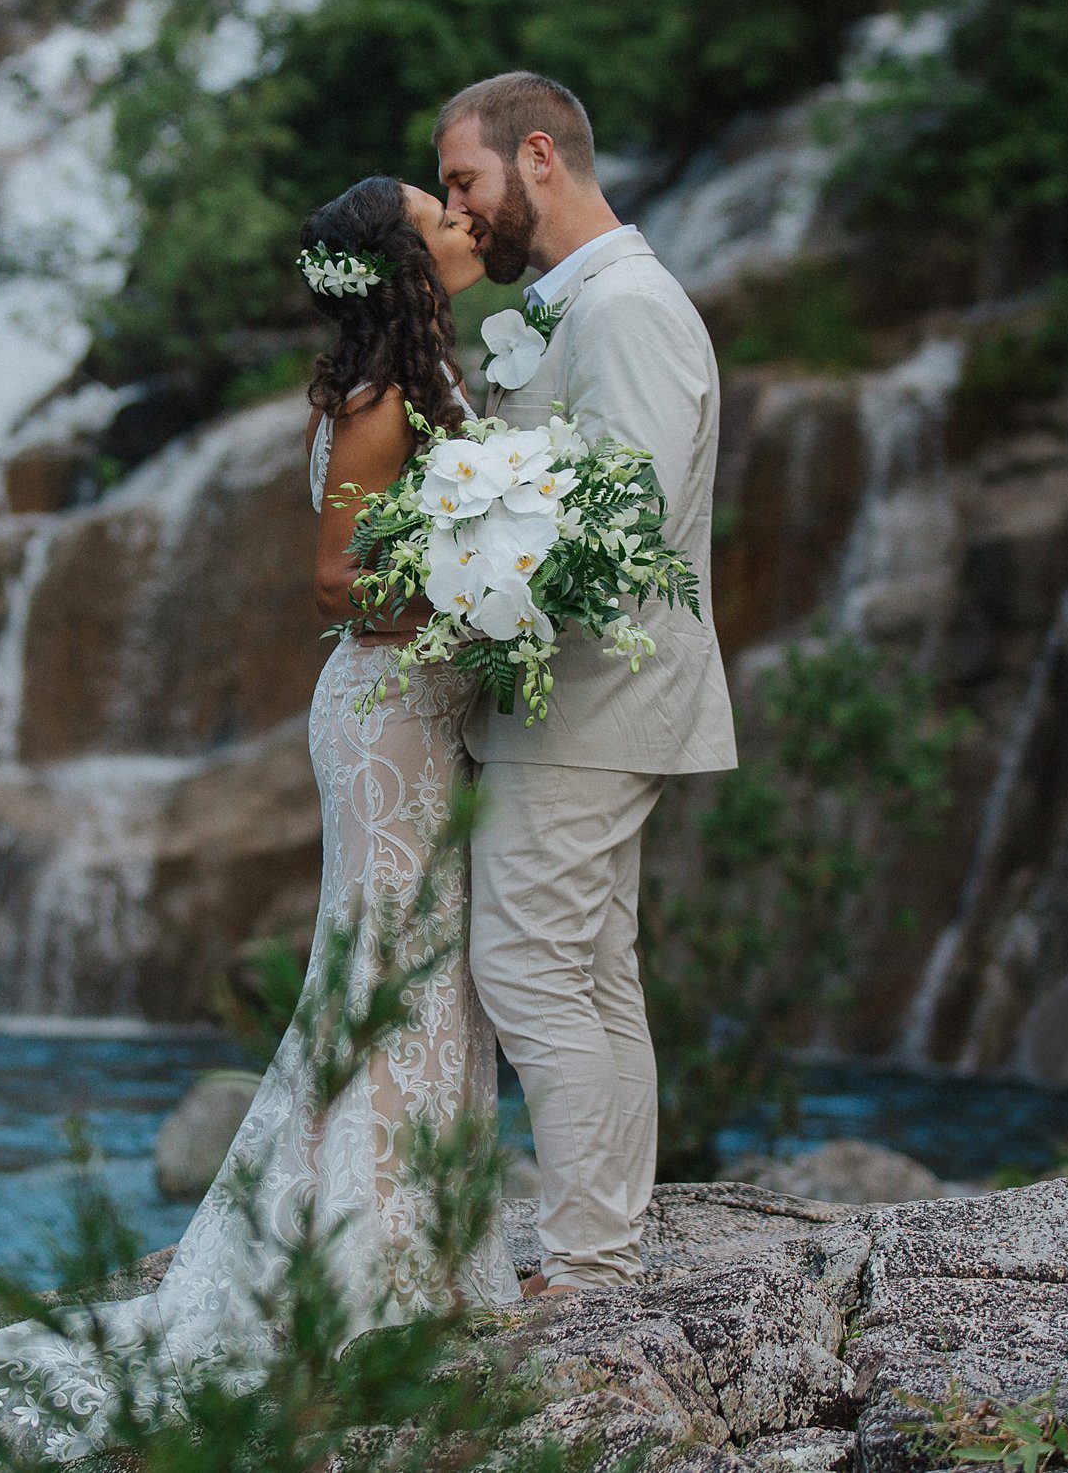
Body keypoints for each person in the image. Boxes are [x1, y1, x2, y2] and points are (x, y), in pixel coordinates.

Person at [0, 176, 514, 1473]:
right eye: (440, 212)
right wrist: (474, 597)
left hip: (418, 702)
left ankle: (417, 1241)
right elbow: (338, 578)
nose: (467, 220)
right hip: (385, 709)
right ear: (407, 259)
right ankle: (371, 1261)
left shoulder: (422, 379)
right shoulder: (377, 399)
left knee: (424, 957)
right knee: (395, 957)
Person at [432, 70, 739, 1294]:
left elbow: (629, 508)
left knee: (527, 966)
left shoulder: (625, 310)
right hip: (578, 697)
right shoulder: (575, 308)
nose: (460, 212)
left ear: (539, 157)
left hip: (593, 694)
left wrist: (466, 570)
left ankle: (590, 1260)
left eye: (466, 180)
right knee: (592, 969)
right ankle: (602, 1243)